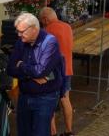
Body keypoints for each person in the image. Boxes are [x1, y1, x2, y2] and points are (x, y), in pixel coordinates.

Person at [8, 13, 64, 136]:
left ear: (34, 28)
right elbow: (10, 69)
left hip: (44, 97)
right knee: (23, 133)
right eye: (18, 31)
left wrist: (22, 65)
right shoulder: (21, 42)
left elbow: (40, 71)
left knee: (41, 133)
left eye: (22, 31)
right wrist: (32, 75)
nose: (19, 35)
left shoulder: (50, 42)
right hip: (24, 96)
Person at [39, 8, 74, 136]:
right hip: (68, 68)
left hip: (53, 72)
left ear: (45, 19)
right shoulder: (67, 27)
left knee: (50, 102)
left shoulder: (46, 31)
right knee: (65, 99)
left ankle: (52, 133)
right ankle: (68, 131)